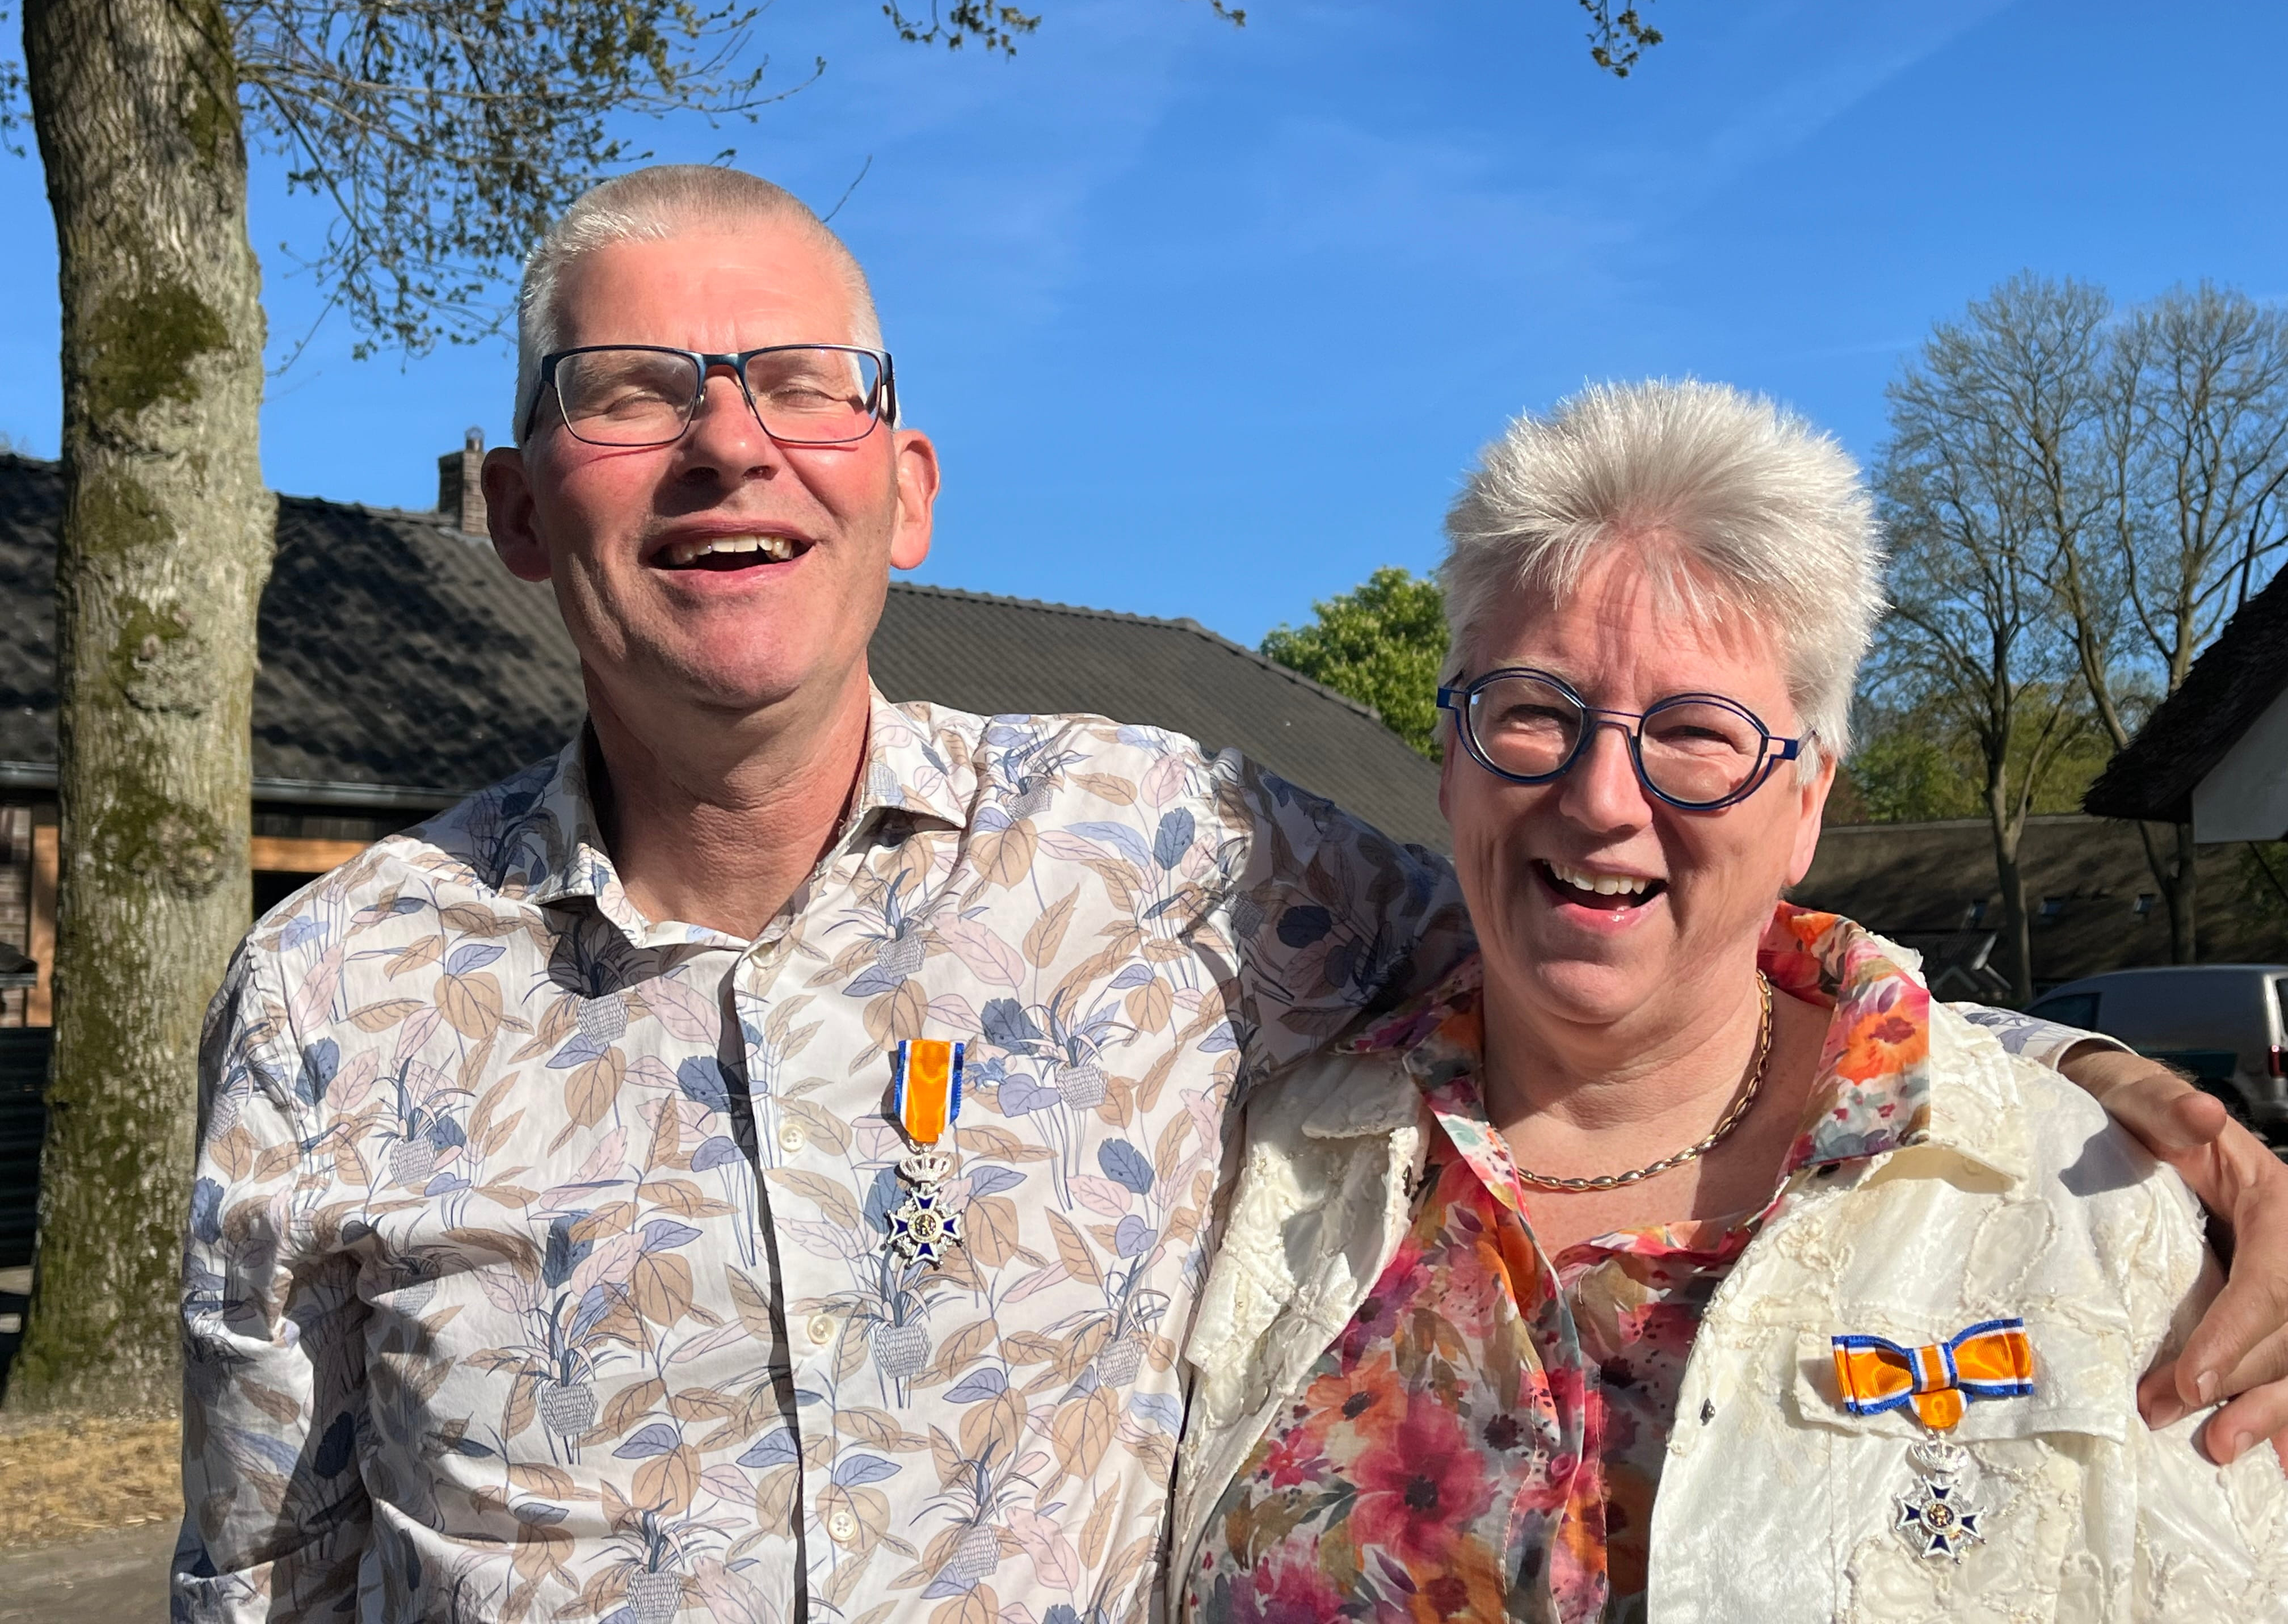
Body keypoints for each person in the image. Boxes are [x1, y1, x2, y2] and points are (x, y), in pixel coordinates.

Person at [176, 169, 2288, 1623]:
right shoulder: (335, 994)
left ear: (907, 492)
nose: (733, 443)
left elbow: (1624, 944)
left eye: (805, 381)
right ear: (516, 507)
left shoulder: (1165, 851)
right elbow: (268, 1576)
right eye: (636, 392)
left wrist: (2103, 1097)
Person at [1171, 381, 2288, 1623]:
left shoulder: (2080, 1202)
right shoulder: (1264, 1164)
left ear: (1807, 804)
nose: (1602, 799)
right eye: (1536, 711)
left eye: (1696, 733)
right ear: (1450, 759)